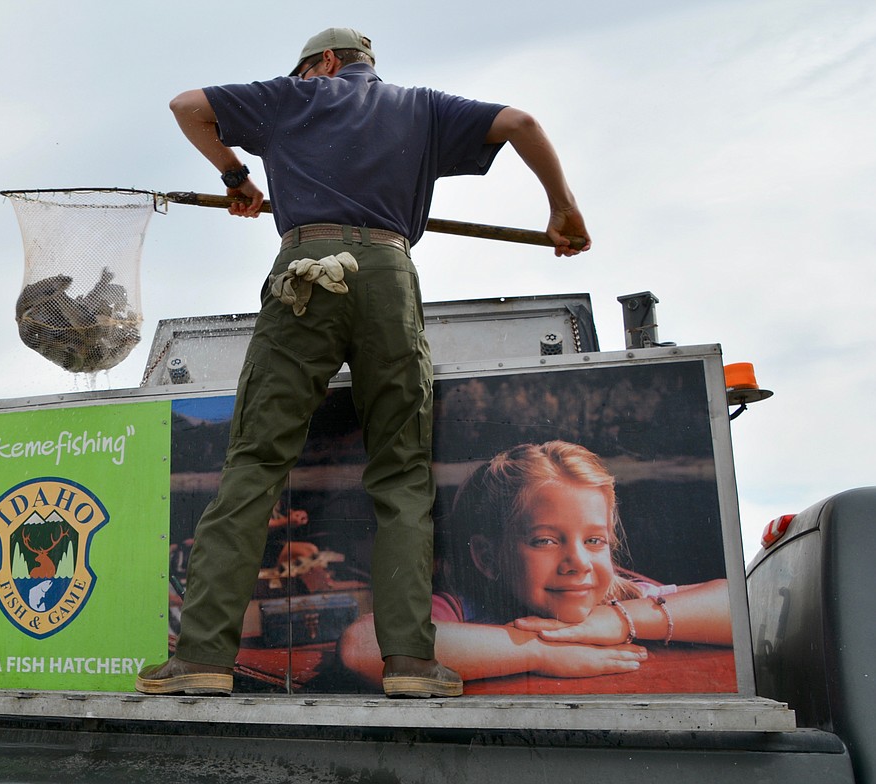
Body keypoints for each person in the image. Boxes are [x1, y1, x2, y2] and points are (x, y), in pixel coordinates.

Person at [136, 27, 591, 699]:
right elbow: (520, 122)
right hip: (387, 271)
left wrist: (236, 176)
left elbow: (186, 107)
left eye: (303, 71)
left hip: (304, 268)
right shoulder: (424, 107)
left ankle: (202, 656)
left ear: (322, 64)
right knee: (402, 477)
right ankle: (409, 663)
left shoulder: (295, 98)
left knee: (256, 464)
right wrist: (562, 206)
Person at [338, 441, 732, 685]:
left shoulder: (621, 597)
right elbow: (362, 647)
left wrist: (616, 621)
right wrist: (540, 650)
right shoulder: (463, 607)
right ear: (488, 558)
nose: (578, 562)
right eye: (545, 540)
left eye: (595, 540)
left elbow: (738, 605)